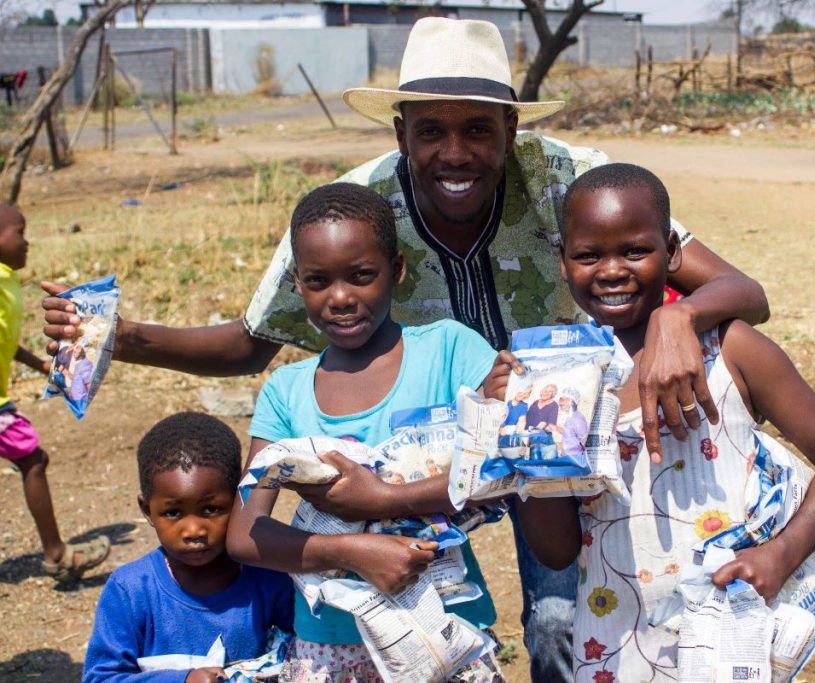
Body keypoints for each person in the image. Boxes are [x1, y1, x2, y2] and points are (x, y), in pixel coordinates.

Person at [41, 19, 769, 680]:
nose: (456, 152)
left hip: (557, 433)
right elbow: (251, 342)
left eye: (479, 129)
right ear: (400, 132)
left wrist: (683, 317)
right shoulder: (356, 209)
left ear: (511, 127)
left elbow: (743, 289)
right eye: (431, 130)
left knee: (564, 624)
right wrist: (127, 337)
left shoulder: (567, 178)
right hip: (434, 460)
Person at [510, 163, 815, 681]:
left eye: (635, 250)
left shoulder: (731, 349)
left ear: (674, 251)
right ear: (563, 263)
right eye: (588, 255)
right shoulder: (559, 376)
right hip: (613, 644)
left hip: (730, 637)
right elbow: (558, 552)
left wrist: (781, 554)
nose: (611, 270)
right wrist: (524, 443)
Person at [226, 183, 512, 682]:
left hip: (446, 629)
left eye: (361, 276)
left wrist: (380, 500)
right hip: (331, 643)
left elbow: (502, 469)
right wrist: (351, 551)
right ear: (297, 283)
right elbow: (246, 535)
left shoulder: (449, 352)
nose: (340, 298)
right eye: (318, 281)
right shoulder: (285, 392)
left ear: (396, 270)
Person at [83, 412, 295, 683]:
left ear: (238, 501)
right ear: (147, 510)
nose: (193, 531)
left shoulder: (269, 580)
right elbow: (100, 677)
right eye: (173, 513)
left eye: (210, 509)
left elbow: (306, 648)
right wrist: (183, 680)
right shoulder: (131, 591)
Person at [0, 203, 109, 583]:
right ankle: (58, 555)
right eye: (19, 233)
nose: (27, 242)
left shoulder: (7, 279)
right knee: (32, 459)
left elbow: (7, 342)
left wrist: (44, 367)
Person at [554, 387, 587, 459]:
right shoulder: (570, 418)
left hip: (576, 459)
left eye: (567, 399)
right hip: (567, 457)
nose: (562, 403)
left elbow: (584, 440)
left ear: (575, 402)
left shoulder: (578, 419)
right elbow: (571, 434)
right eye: (561, 399)